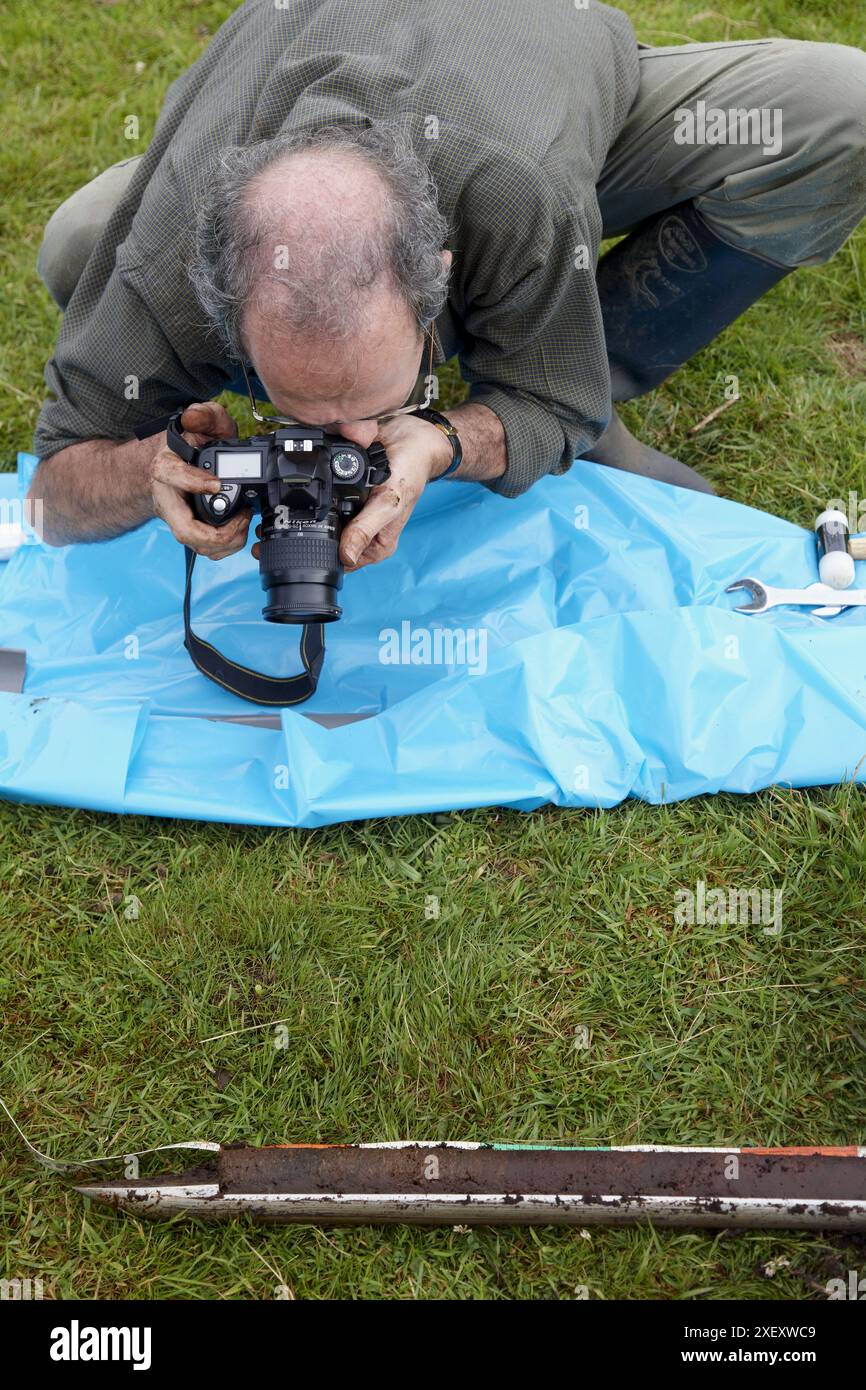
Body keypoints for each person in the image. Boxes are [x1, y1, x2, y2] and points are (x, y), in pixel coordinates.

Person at [31, 0, 866, 574]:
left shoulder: (516, 192)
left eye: (364, 407)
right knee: (81, 244)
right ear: (221, 297)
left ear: (442, 272)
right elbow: (53, 492)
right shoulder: (178, 256)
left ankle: (588, 405)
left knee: (844, 106)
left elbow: (552, 404)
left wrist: (456, 439)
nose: (348, 445)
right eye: (301, 412)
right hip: (292, 109)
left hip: (524, 67)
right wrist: (146, 466)